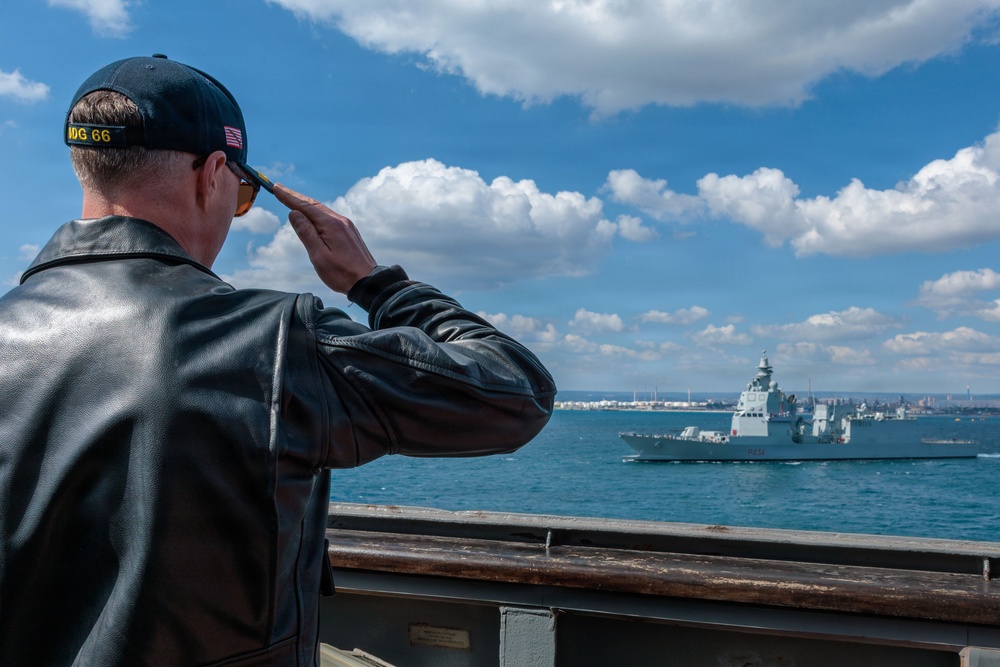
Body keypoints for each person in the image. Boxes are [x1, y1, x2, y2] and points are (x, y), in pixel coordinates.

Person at [0, 55, 555, 666]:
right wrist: (379, 285)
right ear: (213, 174)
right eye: (241, 196)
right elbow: (516, 392)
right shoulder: (273, 341)